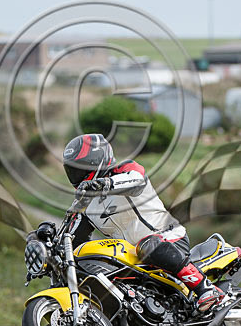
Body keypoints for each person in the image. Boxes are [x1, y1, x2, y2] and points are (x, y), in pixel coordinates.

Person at [61, 133, 225, 312]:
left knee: (147, 245)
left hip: (167, 239)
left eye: (79, 168)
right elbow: (71, 239)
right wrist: (43, 242)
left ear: (95, 162)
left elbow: (137, 180)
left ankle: (205, 289)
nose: (75, 175)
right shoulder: (86, 203)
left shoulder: (123, 171)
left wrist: (105, 184)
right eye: (71, 170)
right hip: (132, 258)